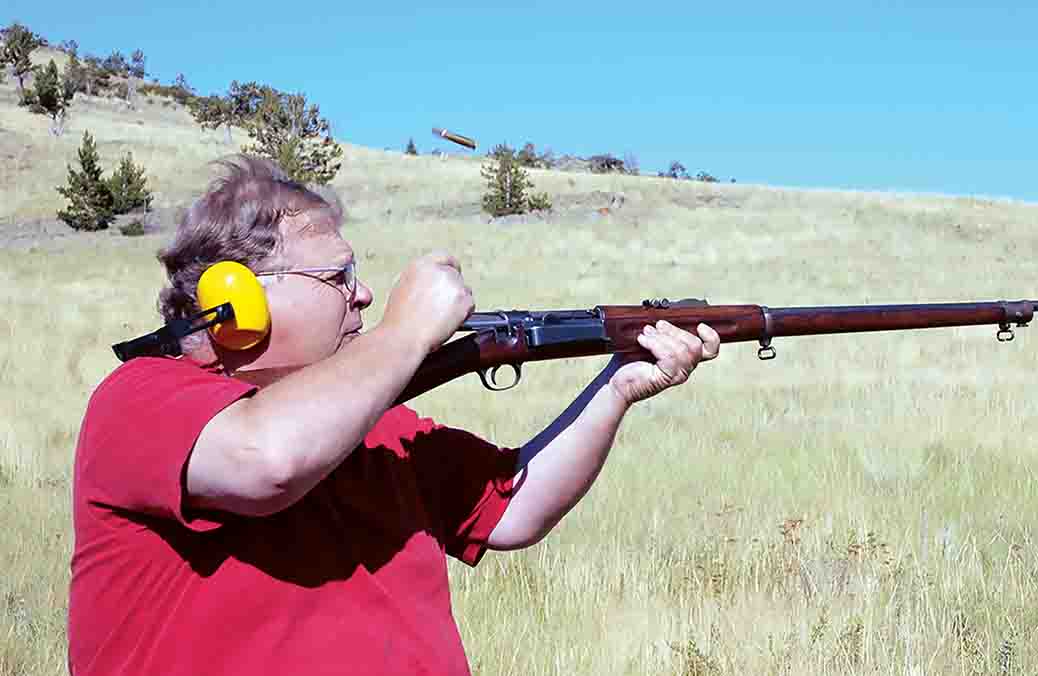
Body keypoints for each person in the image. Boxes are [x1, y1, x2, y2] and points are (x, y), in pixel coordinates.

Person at [68, 155, 721, 675]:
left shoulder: (375, 423)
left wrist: (617, 387)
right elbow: (266, 461)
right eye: (339, 277)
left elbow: (514, 510)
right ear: (237, 299)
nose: (365, 294)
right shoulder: (141, 398)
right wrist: (405, 334)